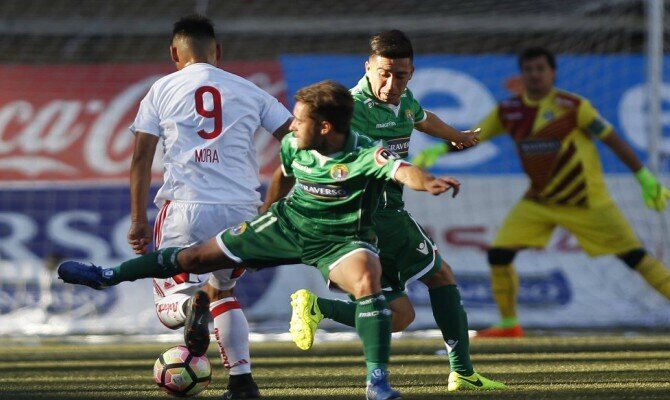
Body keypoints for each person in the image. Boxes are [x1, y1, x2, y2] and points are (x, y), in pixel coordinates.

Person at [59, 80, 465, 400]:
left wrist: (428, 181)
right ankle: (108, 275)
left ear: (325, 127)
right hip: (284, 226)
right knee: (196, 258)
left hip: (339, 240)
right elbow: (283, 174)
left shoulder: (364, 155)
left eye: (299, 120)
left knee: (367, 279)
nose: (291, 126)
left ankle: (377, 384)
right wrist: (269, 212)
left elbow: (402, 170)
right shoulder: (295, 144)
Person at [267, 30, 505, 391]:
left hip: (379, 216)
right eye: (384, 74)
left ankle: (318, 307)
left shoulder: (403, 99)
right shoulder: (348, 108)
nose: (392, 84)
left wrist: (456, 136)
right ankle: (462, 372)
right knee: (441, 276)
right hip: (372, 216)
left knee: (399, 316)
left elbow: (422, 117)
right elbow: (311, 150)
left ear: (411, 73)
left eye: (401, 76)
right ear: (368, 67)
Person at [414, 47, 670, 338]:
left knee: (634, 257)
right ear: (521, 75)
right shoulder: (509, 111)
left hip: (586, 201)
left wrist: (643, 177)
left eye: (540, 69)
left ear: (553, 73)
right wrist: (439, 149)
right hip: (539, 201)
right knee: (499, 254)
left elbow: (612, 139)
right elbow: (473, 137)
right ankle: (510, 324)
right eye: (529, 70)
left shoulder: (573, 106)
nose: (535, 75)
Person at [126, 14, 292, 398]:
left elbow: (141, 159)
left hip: (186, 208)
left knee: (171, 304)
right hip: (242, 209)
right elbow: (297, 142)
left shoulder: (161, 89)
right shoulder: (250, 90)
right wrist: (274, 204)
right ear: (218, 51)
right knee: (224, 291)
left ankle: (190, 309)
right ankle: (242, 382)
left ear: (174, 53)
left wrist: (137, 220)